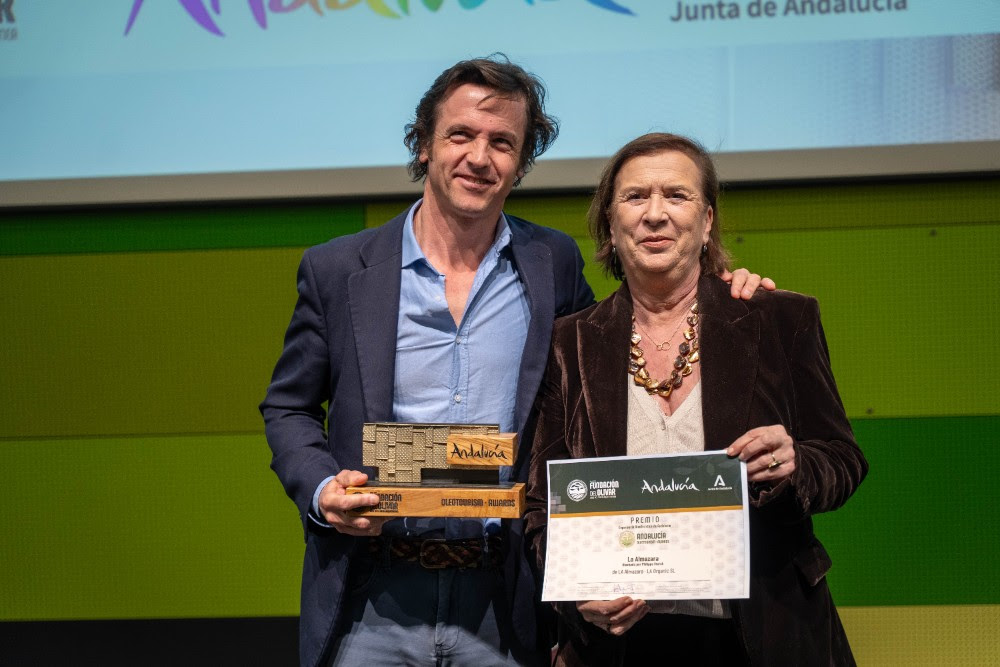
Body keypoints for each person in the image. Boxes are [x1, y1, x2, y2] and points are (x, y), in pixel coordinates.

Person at [261, 57, 770, 667]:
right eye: (460, 135)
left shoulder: (551, 262)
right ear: (423, 144)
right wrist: (323, 490)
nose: (480, 158)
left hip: (503, 602)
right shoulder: (339, 269)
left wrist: (716, 291)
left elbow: (616, 357)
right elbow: (288, 406)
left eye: (502, 143)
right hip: (369, 597)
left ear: (522, 163)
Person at [524, 132, 868, 666]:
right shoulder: (567, 343)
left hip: (767, 634)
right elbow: (542, 504)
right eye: (635, 197)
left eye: (676, 196)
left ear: (707, 222)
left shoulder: (779, 319)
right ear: (610, 226)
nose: (655, 214)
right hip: (621, 646)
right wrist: (574, 597)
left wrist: (794, 466)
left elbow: (843, 460)